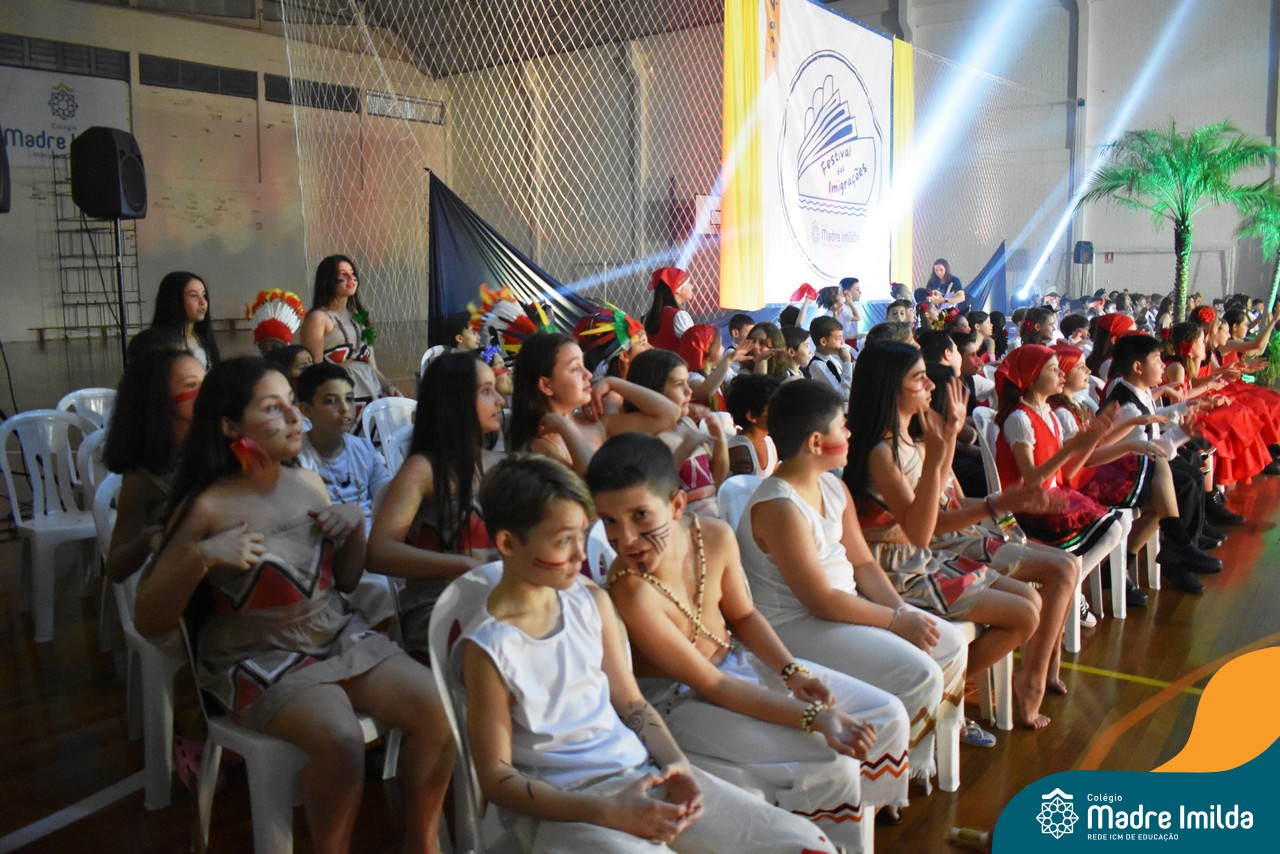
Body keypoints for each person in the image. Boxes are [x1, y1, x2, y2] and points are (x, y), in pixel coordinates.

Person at [133, 356, 452, 854]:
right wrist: (201, 556)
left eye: (291, 404)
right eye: (272, 408)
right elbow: (149, 619)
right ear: (229, 426)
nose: (293, 418)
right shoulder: (206, 507)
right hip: (257, 653)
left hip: (333, 631)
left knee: (438, 708)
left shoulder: (306, 483)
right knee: (340, 739)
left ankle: (423, 843)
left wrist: (354, 529)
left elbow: (345, 582)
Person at [461, 454, 839, 853]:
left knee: (801, 844)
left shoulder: (590, 602)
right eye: (562, 542)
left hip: (635, 772)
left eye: (581, 536)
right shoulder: (489, 649)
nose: (580, 556)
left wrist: (676, 764)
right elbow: (496, 779)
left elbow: (631, 703)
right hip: (563, 806)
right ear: (508, 544)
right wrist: (607, 811)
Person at [588, 434, 909, 849]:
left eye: (640, 516)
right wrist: (814, 716)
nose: (626, 538)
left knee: (887, 712)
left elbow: (743, 616)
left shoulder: (714, 536)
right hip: (678, 701)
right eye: (609, 522)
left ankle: (872, 816)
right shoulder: (632, 590)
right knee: (831, 762)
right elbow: (713, 685)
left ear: (677, 505)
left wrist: (792, 673)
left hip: (736, 663)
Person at [736, 379, 969, 786]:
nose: (849, 432)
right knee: (920, 674)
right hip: (795, 626)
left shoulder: (833, 485)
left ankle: (915, 757)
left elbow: (862, 563)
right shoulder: (779, 506)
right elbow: (821, 600)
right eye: (841, 426)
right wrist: (896, 622)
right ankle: (880, 781)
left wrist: (901, 610)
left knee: (949, 644)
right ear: (815, 442)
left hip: (840, 609)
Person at [846, 342, 1075, 730]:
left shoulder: (907, 442)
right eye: (920, 378)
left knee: (1031, 599)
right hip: (898, 570)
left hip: (920, 558)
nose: (931, 386)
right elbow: (923, 531)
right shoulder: (881, 453)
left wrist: (949, 439)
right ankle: (936, 696)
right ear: (890, 387)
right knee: (1023, 615)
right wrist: (990, 500)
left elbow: (939, 500)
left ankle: (943, 693)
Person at [368, 351, 504, 655]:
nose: (500, 400)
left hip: (498, 600)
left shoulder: (500, 463)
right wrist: (466, 565)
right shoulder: (424, 470)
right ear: (456, 401)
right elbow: (379, 552)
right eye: (486, 391)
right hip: (441, 609)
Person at [992, 346, 1125, 557]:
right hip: (1028, 508)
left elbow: (1065, 473)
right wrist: (1072, 448)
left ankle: (1075, 573)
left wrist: (1092, 438)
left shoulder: (1050, 415)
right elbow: (1033, 480)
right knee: (1111, 530)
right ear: (1032, 378)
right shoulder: (1019, 419)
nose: (1062, 373)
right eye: (1054, 369)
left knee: (1118, 525)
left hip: (1052, 495)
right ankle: (1073, 573)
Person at [506, 331, 680, 473]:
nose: (588, 374)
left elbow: (669, 414)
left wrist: (613, 382)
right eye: (575, 368)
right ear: (546, 385)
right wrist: (566, 428)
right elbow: (592, 483)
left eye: (584, 365)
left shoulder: (596, 424)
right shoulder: (539, 446)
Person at [104, 350, 206, 582]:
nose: (207, 391)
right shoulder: (144, 477)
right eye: (192, 385)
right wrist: (149, 537)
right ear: (159, 400)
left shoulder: (218, 445)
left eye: (206, 381)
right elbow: (115, 568)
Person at [299, 254, 402, 434]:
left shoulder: (360, 317)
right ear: (328, 280)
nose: (351, 279)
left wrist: (389, 386)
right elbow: (314, 370)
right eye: (343, 275)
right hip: (341, 395)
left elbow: (372, 366)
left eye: (353, 274)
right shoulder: (318, 318)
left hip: (371, 391)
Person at [626, 348, 729, 517]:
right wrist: (685, 449)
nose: (689, 391)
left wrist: (719, 436)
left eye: (687, 382)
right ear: (653, 390)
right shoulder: (644, 437)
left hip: (712, 519)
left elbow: (715, 482)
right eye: (679, 384)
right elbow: (653, 493)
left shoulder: (686, 423)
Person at [295, 363, 391, 535]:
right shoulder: (297, 457)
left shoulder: (362, 448)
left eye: (349, 399)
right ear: (306, 410)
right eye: (331, 401)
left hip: (375, 537)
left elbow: (386, 496)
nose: (345, 409)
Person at [148, 271, 220, 370]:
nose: (203, 302)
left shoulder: (202, 339)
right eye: (193, 296)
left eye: (204, 295)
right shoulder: (158, 344)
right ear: (174, 300)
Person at [725, 373, 781, 477]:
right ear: (752, 416)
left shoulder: (768, 441)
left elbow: (776, 478)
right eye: (775, 409)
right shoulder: (740, 451)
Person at [644, 266, 695, 351]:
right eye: (688, 283)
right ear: (678, 289)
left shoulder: (649, 316)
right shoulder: (679, 316)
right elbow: (692, 348)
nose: (692, 286)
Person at [807, 316, 853, 401]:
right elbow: (845, 396)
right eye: (838, 338)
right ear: (823, 341)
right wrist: (847, 362)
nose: (842, 342)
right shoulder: (817, 365)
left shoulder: (832, 359)